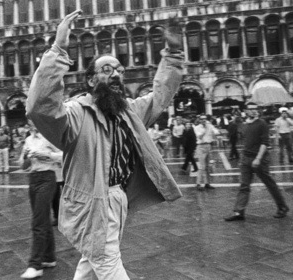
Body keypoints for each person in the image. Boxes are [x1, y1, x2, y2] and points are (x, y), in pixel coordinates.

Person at [26, 10, 183, 280]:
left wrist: (174, 53)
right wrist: (58, 49)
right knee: (109, 264)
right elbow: (41, 106)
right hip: (91, 203)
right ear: (90, 80)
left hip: (118, 199)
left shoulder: (130, 111)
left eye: (120, 70)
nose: (116, 75)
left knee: (92, 260)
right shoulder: (76, 114)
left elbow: (161, 93)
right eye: (106, 70)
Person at [225, 103, 289, 221]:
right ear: (246, 111)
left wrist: (258, 158)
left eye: (255, 109)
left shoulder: (262, 124)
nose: (253, 111)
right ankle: (239, 212)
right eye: (251, 109)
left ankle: (282, 207)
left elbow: (265, 142)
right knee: (244, 185)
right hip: (246, 158)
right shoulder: (245, 125)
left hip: (259, 159)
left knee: (269, 184)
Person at [18, 123, 63, 279]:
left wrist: (46, 155)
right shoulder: (28, 139)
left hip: (47, 178)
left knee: (38, 222)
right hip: (33, 178)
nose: (31, 122)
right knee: (43, 219)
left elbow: (64, 155)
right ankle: (49, 258)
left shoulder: (49, 136)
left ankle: (35, 264)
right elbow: (22, 165)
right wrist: (26, 157)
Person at [194, 115, 217, 191]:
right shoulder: (197, 127)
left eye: (205, 119)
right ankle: (198, 184)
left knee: (207, 166)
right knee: (202, 166)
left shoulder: (209, 126)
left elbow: (216, 132)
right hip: (201, 146)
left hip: (208, 146)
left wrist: (213, 130)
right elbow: (199, 137)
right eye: (202, 119)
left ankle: (207, 183)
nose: (203, 120)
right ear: (199, 120)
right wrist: (205, 130)